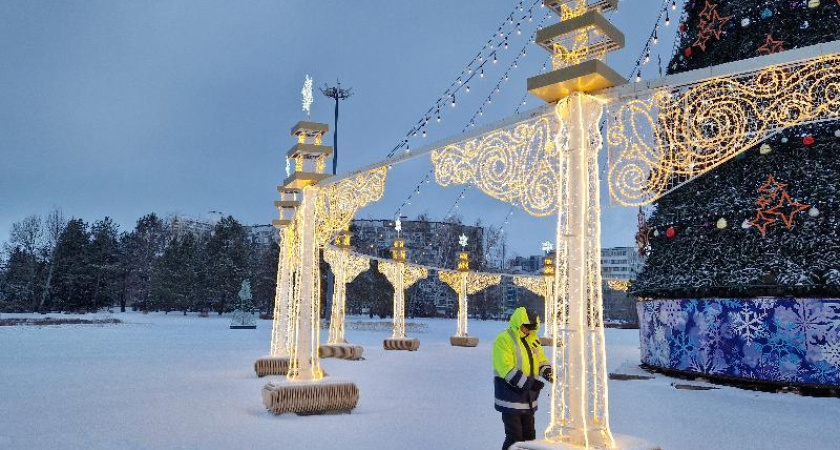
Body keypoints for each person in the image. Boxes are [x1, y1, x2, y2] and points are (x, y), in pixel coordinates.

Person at [492, 307, 553, 450]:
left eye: (532, 327)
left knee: (529, 437)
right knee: (515, 438)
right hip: (510, 397)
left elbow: (540, 360)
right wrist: (530, 384)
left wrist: (547, 371)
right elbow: (505, 369)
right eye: (527, 326)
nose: (529, 330)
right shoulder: (504, 339)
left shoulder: (533, 340)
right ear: (519, 323)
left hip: (528, 399)